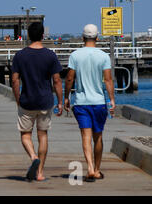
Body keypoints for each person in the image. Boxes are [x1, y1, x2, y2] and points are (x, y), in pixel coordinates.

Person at [11, 22, 63, 182]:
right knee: (43, 135)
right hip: (45, 101)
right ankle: (40, 173)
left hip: (27, 101)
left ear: (28, 35)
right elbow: (57, 81)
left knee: (25, 135)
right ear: (42, 35)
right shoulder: (50, 55)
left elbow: (14, 81)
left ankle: (33, 157)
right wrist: (60, 101)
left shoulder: (20, 55)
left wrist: (18, 99)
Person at [64, 24, 115, 182]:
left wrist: (67, 97)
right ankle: (98, 170)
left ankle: (90, 169)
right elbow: (107, 80)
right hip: (99, 102)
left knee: (85, 136)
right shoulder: (104, 56)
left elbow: (70, 78)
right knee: (98, 137)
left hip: (81, 102)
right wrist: (112, 99)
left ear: (82, 38)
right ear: (97, 38)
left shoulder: (75, 55)